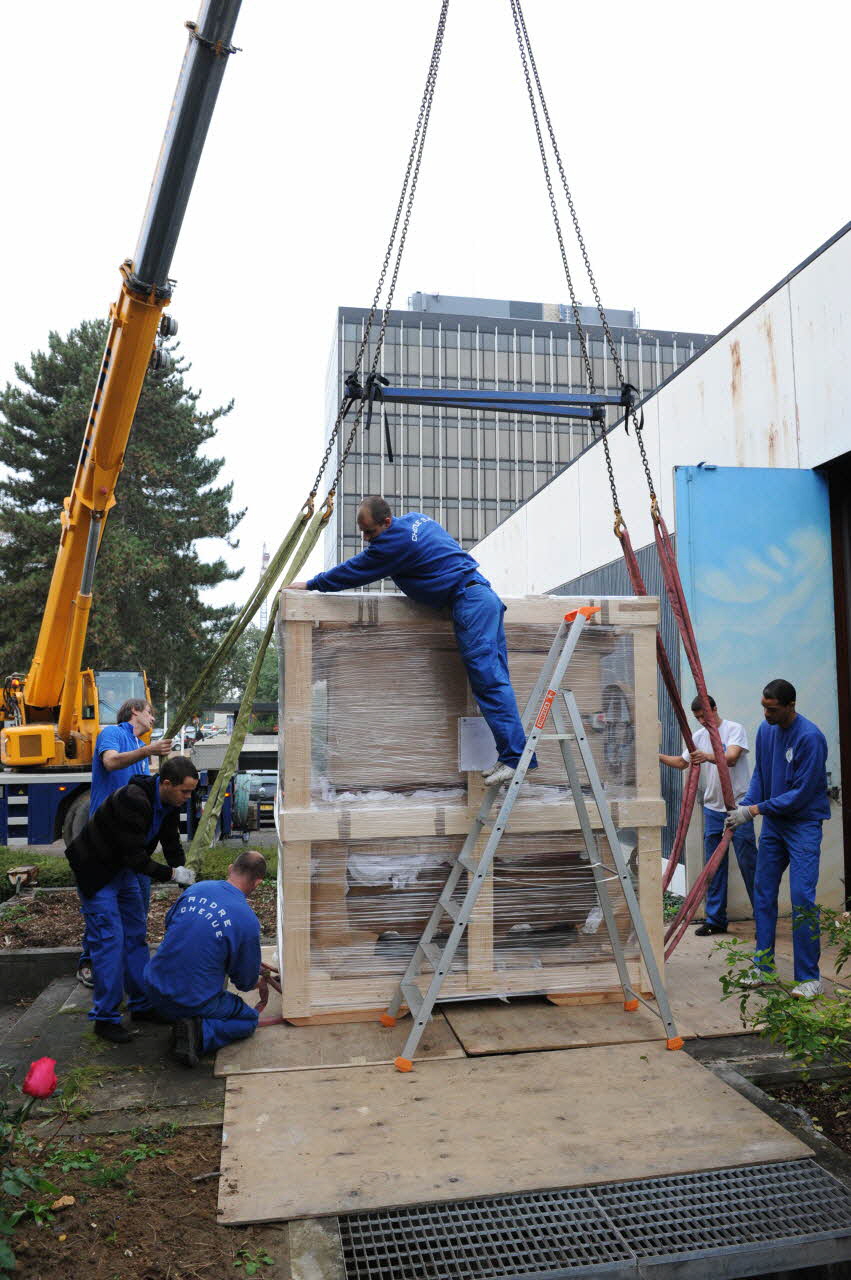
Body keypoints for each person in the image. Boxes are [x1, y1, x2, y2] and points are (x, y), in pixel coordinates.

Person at [292, 497, 530, 786]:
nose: (367, 540)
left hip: (470, 602)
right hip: (484, 597)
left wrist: (311, 584)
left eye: (370, 532)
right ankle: (516, 754)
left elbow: (352, 572)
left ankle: (515, 758)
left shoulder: (392, 544)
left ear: (387, 522)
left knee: (488, 681)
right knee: (495, 679)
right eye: (363, 533)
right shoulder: (418, 518)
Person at [65, 756, 199, 1043]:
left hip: (123, 871)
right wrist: (173, 873)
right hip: (96, 871)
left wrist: (186, 883)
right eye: (185, 791)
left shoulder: (169, 803)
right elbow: (137, 858)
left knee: (136, 937)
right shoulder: (133, 799)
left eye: (191, 792)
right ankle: (105, 1018)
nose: (188, 798)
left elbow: (172, 843)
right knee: (109, 941)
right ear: (166, 784)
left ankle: (141, 1005)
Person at [725, 679, 831, 999]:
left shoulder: (811, 738)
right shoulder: (766, 730)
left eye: (772, 709)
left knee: (802, 899)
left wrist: (755, 809)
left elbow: (800, 795)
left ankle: (809, 977)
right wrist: (746, 805)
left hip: (803, 826)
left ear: (790, 706)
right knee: (763, 893)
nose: (766, 713)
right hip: (774, 825)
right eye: (764, 707)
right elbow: (761, 773)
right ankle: (764, 965)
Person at [76, 698, 173, 988]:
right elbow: (110, 761)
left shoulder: (139, 749)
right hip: (105, 842)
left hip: (132, 843)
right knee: (100, 907)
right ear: (134, 711)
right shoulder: (113, 734)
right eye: (150, 712)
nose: (153, 718)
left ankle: (131, 975)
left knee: (136, 909)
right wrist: (149, 749)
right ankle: (89, 963)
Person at [142, 850, 267, 1067]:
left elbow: (172, 925)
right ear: (257, 883)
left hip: (152, 986)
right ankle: (198, 1034)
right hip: (190, 1000)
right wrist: (257, 978)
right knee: (247, 1020)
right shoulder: (247, 921)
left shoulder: (196, 889)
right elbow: (245, 982)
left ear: (230, 868)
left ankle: (175, 1015)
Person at [659, 694, 757, 936]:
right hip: (713, 809)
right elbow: (682, 763)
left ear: (715, 708)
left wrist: (707, 757)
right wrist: (656, 757)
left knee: (750, 865)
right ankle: (716, 920)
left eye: (704, 715)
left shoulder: (734, 729)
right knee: (713, 866)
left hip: (740, 807)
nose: (702, 721)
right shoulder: (698, 737)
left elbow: (732, 758)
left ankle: (763, 918)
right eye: (697, 717)